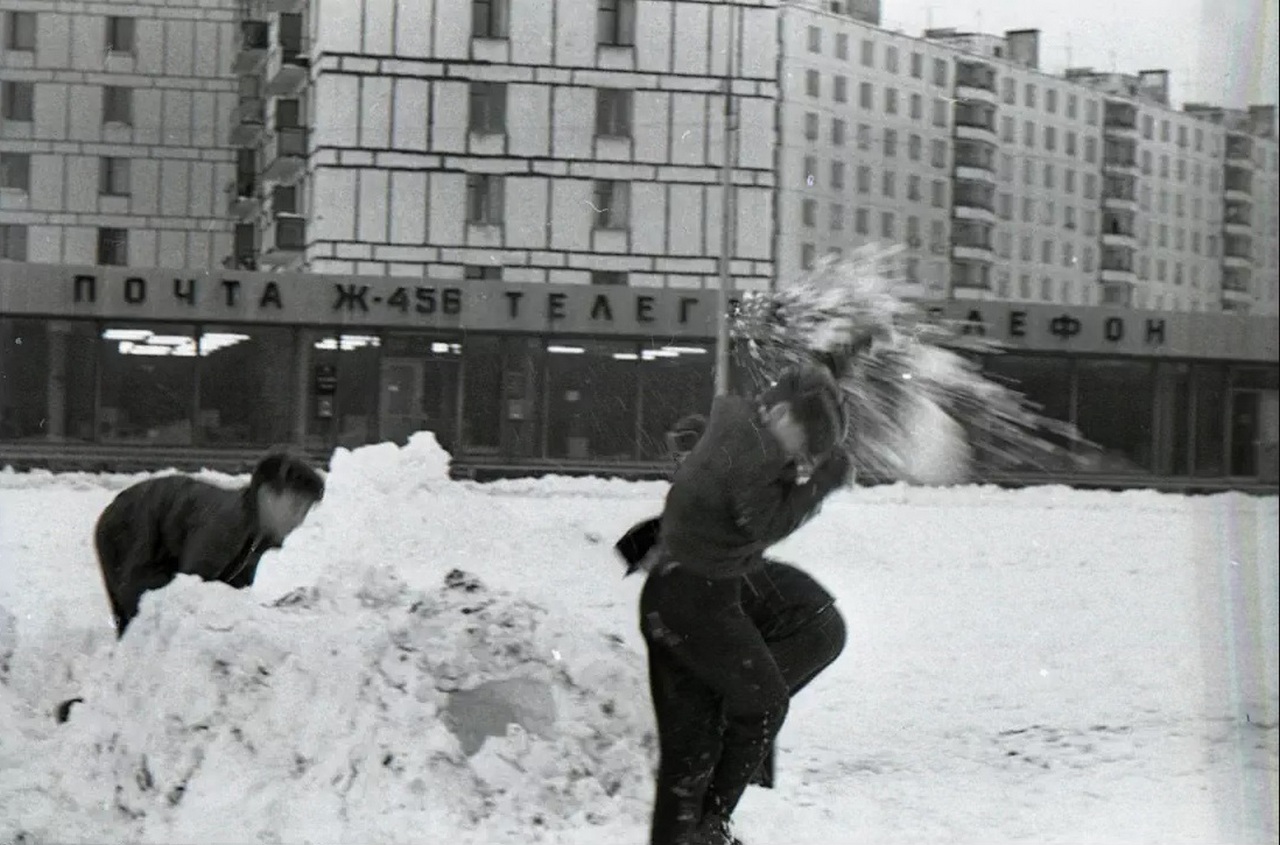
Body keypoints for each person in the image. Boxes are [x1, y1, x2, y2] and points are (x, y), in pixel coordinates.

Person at [624, 364, 852, 845]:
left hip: (680, 594)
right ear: (783, 414)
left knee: (689, 754)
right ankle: (712, 823)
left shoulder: (743, 426)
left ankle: (697, 829)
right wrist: (822, 483)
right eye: (803, 444)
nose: (802, 458)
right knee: (763, 704)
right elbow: (765, 522)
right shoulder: (752, 451)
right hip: (696, 598)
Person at [93, 452, 325, 638]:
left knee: (158, 627)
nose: (299, 519)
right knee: (148, 624)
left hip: (159, 543)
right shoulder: (225, 523)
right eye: (295, 506)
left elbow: (230, 595)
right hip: (129, 527)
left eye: (305, 510)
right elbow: (191, 592)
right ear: (266, 495)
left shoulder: (258, 534)